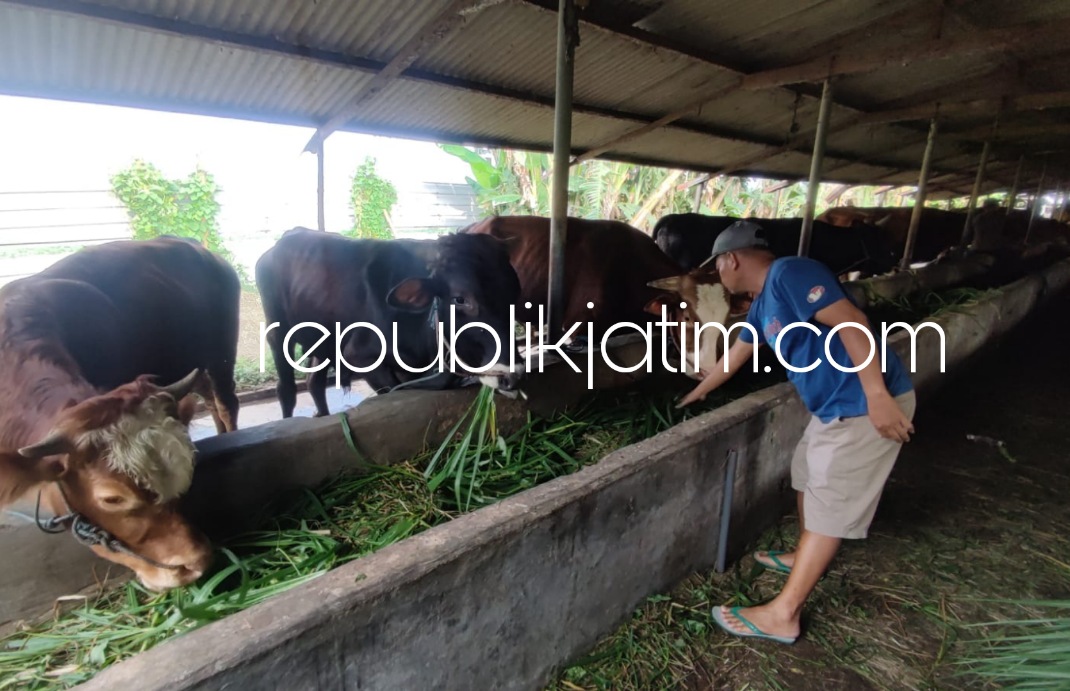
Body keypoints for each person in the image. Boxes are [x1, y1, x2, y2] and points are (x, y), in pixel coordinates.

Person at [677, 219, 916, 645]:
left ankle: (784, 614)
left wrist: (877, 395)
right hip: (834, 407)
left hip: (862, 403)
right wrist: (698, 391)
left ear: (731, 259)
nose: (719, 277)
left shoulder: (791, 272)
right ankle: (801, 555)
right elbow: (736, 356)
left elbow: (851, 320)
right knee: (805, 473)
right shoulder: (764, 303)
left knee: (829, 497)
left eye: (718, 268)